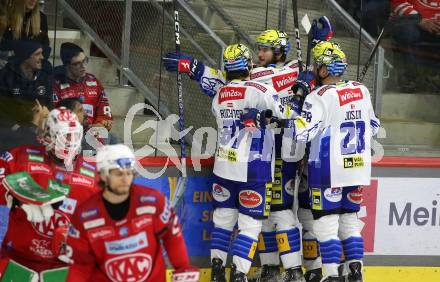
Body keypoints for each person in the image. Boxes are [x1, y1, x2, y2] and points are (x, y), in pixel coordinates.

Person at [163, 19, 333, 282]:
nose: (260, 54)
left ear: (279, 51)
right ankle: (269, 267)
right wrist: (195, 68)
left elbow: (322, 70)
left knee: (279, 211)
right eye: (258, 49)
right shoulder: (260, 78)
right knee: (261, 217)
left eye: (265, 49)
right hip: (259, 158)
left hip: (282, 151)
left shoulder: (289, 71)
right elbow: (231, 81)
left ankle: (292, 270)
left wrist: (320, 44)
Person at [290, 41, 380, 282]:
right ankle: (355, 272)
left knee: (325, 225)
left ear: (323, 70)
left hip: (327, 170)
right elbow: (373, 125)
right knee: (350, 222)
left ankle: (330, 276)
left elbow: (300, 132)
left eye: (317, 66)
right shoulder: (361, 90)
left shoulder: (317, 95)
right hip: (357, 170)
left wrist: (295, 105)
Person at [207, 43, 297, 282]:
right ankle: (238, 274)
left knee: (223, 220)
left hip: (223, 166)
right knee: (249, 225)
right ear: (248, 65)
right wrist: (299, 93)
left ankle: (216, 272)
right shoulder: (260, 90)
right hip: (254, 168)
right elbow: (288, 114)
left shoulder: (220, 94)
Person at [65, 144, 199, 282]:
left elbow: (171, 236)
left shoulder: (153, 203)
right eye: (118, 173)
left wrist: (182, 267)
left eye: (128, 172)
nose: (125, 179)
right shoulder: (84, 217)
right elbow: (80, 266)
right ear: (103, 175)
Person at [0, 107, 101, 277]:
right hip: (17, 259)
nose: (69, 141)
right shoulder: (21, 158)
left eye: (73, 135)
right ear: (48, 136)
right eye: (64, 135)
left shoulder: (94, 176)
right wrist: (13, 193)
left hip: (64, 267)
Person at [52, 42, 113, 133]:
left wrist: (99, 125)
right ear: (67, 65)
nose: (83, 66)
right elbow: (54, 118)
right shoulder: (56, 85)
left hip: (93, 134)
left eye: (84, 61)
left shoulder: (94, 82)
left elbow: (106, 115)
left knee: (115, 140)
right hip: (69, 135)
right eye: (77, 63)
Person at [390, 0, 440, 92]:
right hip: (410, 23)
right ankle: (410, 77)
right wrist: (418, 19)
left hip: (435, 26)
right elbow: (397, 2)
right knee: (408, 33)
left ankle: (435, 77)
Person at [0, 39, 52, 127]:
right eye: (37, 54)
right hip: (12, 130)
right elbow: (3, 109)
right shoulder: (6, 77)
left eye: (42, 53)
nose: (42, 57)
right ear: (25, 57)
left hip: (39, 128)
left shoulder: (44, 77)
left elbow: (48, 104)